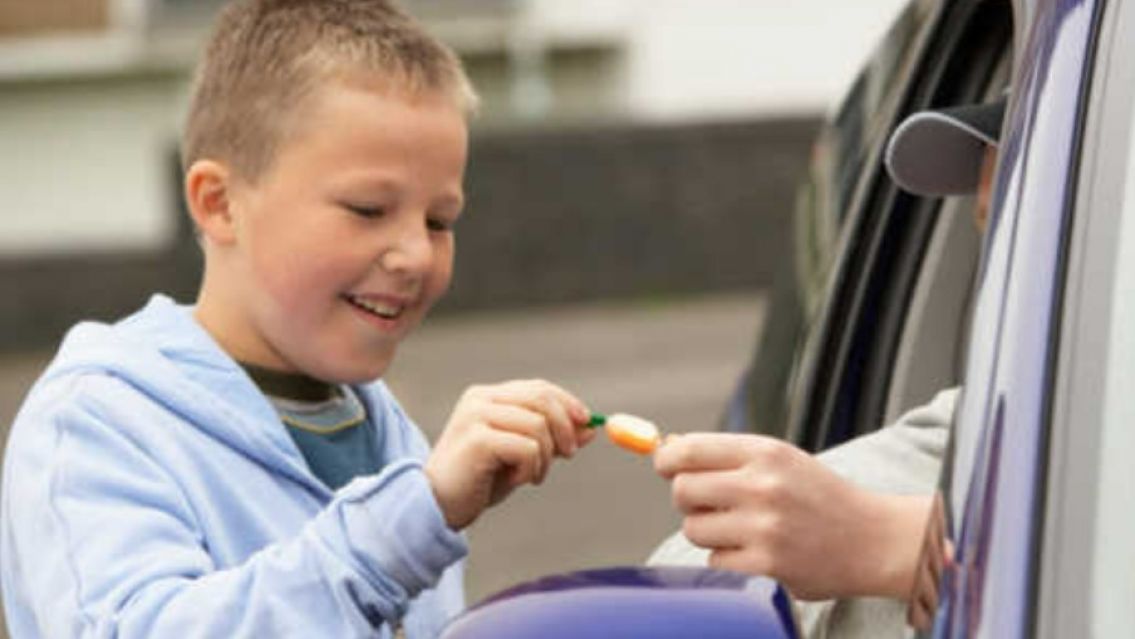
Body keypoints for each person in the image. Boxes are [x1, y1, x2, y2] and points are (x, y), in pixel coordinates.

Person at [0, 1, 597, 637]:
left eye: (439, 221)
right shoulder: (98, 421)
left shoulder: (390, 436)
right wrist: (407, 526)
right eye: (368, 209)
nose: (416, 255)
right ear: (220, 204)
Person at [648, 95, 1006, 637]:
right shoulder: (978, 426)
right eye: (991, 231)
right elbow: (668, 594)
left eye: (1042, 230)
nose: (1000, 276)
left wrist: (885, 540)